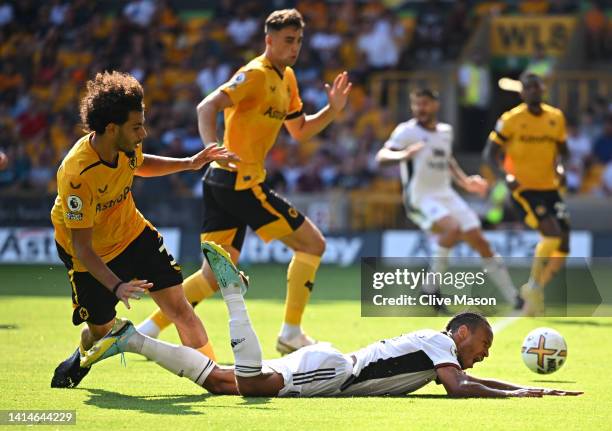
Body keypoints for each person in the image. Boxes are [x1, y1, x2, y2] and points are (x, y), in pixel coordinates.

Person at [80, 241, 583, 398]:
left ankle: (131, 342)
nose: (484, 354)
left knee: (226, 384)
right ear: (463, 332)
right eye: (484, 346)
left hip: (329, 364)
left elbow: (466, 378)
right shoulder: (439, 343)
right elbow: (460, 387)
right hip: (335, 372)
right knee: (248, 389)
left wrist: (523, 388)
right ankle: (232, 294)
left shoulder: (443, 351)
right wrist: (520, 393)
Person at [137, 8, 352, 355]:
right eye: (287, 40)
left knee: (212, 275)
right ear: (269, 40)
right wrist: (212, 147)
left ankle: (148, 328)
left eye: (298, 40)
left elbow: (299, 131)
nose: (294, 47)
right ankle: (291, 333)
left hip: (222, 182)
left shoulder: (288, 79)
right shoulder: (253, 74)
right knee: (313, 245)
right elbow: (206, 107)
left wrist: (332, 111)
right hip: (240, 181)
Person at [50, 71, 237, 388]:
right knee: (103, 332)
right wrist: (116, 286)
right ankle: (85, 349)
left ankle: (216, 378)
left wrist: (189, 163)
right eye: (136, 127)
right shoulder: (77, 174)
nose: (143, 132)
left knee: (180, 308)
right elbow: (83, 248)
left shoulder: (124, 145)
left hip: (134, 235)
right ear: (111, 129)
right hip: (89, 256)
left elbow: (140, 162)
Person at [375, 88, 520, 312]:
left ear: (435, 105)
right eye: (417, 104)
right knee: (452, 229)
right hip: (420, 197)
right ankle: (430, 288)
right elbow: (382, 157)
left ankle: (513, 297)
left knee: (481, 241)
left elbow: (447, 160)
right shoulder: (406, 132)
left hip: (446, 194)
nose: (420, 109)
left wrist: (465, 181)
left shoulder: (445, 132)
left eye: (425, 104)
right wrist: (404, 155)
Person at [484, 72, 569, 316]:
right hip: (523, 190)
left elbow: (563, 150)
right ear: (522, 92)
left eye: (536, 87)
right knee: (551, 233)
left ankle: (536, 290)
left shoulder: (556, 117)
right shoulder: (510, 119)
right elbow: (490, 154)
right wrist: (505, 176)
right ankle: (533, 286)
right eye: (528, 88)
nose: (532, 91)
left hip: (550, 188)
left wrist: (561, 168)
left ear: (542, 89)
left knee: (563, 246)